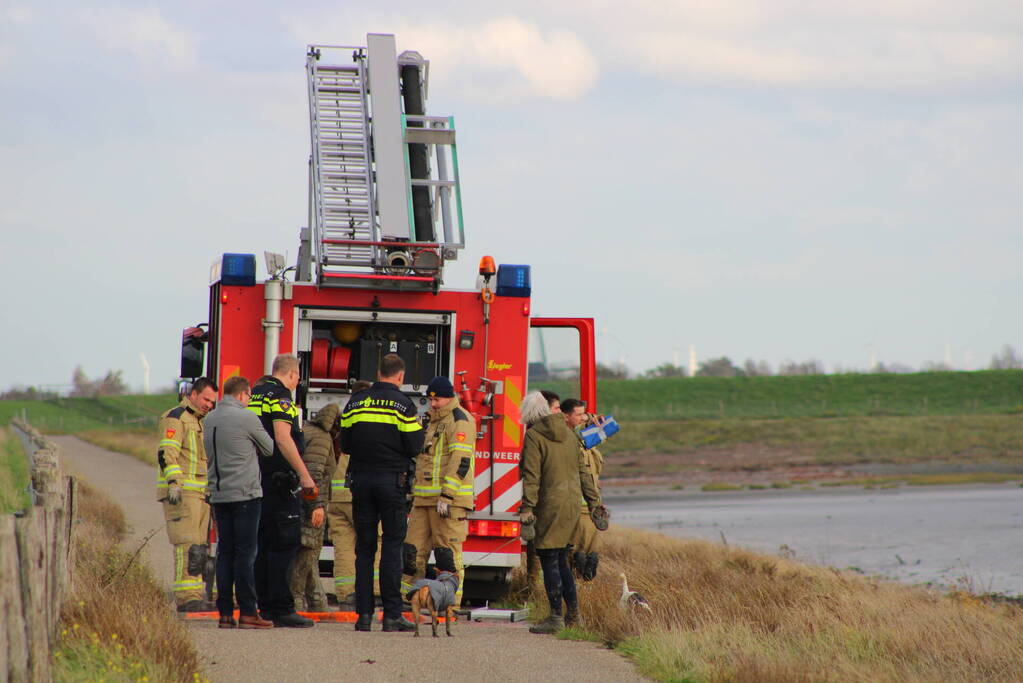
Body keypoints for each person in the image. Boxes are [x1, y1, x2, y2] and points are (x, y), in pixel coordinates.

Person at [340, 353, 425, 632]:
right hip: (392, 483)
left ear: (379, 373)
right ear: (400, 376)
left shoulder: (356, 402)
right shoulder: (404, 405)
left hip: (361, 482)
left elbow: (346, 444)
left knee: (364, 549)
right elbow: (415, 446)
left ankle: (363, 616)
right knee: (391, 546)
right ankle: (391, 616)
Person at [519, 391, 603, 634]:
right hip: (572, 506)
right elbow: (584, 473)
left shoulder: (534, 435)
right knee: (563, 560)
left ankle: (555, 617)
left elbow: (532, 476)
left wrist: (527, 508)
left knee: (549, 560)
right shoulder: (570, 434)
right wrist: (594, 503)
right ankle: (574, 616)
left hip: (549, 506)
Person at [248, 354, 318, 628]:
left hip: (257, 479)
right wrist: (304, 475)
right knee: (284, 544)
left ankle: (264, 606)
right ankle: (281, 608)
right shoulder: (281, 397)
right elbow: (283, 437)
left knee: (263, 544)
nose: (297, 382)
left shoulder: (255, 395)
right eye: (297, 377)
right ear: (291, 374)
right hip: (280, 482)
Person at [203, 376, 274, 629]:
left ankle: (224, 613)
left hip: (219, 494)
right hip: (245, 494)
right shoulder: (247, 417)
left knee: (225, 553)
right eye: (249, 397)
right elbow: (269, 448)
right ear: (243, 394)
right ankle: (247, 612)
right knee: (246, 554)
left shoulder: (210, 418)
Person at [402, 376, 475, 606]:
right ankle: (408, 600)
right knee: (411, 553)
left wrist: (447, 495)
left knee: (447, 555)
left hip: (448, 502)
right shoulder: (433, 421)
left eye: (438, 400)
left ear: (450, 397)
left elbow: (460, 460)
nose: (433, 404)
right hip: (423, 499)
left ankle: (451, 604)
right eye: (431, 399)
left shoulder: (460, 420)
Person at [156, 376, 218, 612]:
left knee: (199, 548)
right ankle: (186, 598)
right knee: (187, 545)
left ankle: (195, 595)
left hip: (200, 494)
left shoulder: (199, 421)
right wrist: (174, 482)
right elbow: (167, 453)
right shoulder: (176, 417)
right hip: (182, 493)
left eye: (212, 402)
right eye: (206, 399)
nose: (209, 405)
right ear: (193, 394)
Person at [291, 401, 341, 612]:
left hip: (300, 501)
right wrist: (317, 506)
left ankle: (317, 602)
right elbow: (313, 474)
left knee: (308, 553)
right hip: (310, 503)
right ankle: (296, 601)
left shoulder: (309, 430)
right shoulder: (322, 437)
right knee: (308, 551)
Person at [326, 380, 372, 609]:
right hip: (361, 491)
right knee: (375, 541)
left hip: (336, 495)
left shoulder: (341, 419)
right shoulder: (371, 419)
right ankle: (375, 592)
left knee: (343, 546)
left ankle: (346, 595)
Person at [560, 399, 604, 581]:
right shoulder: (566, 439)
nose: (583, 418)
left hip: (590, 505)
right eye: (578, 415)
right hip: (576, 506)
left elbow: (603, 428)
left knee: (590, 558)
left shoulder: (586, 442)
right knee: (577, 556)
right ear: (565, 416)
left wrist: (591, 418)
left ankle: (582, 591)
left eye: (583, 414)